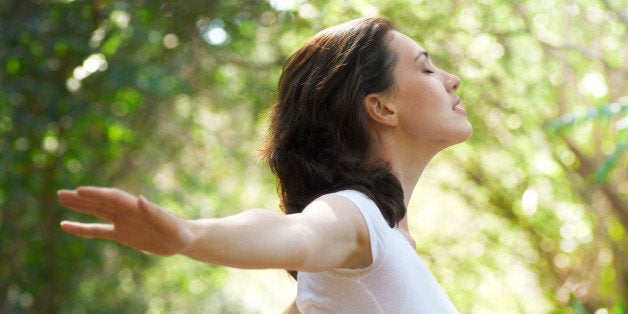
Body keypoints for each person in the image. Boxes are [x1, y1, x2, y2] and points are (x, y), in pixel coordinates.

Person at [58, 17, 471, 313]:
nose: (451, 78)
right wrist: (188, 236)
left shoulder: (386, 241)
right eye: (427, 68)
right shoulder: (355, 214)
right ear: (381, 107)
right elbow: (296, 233)